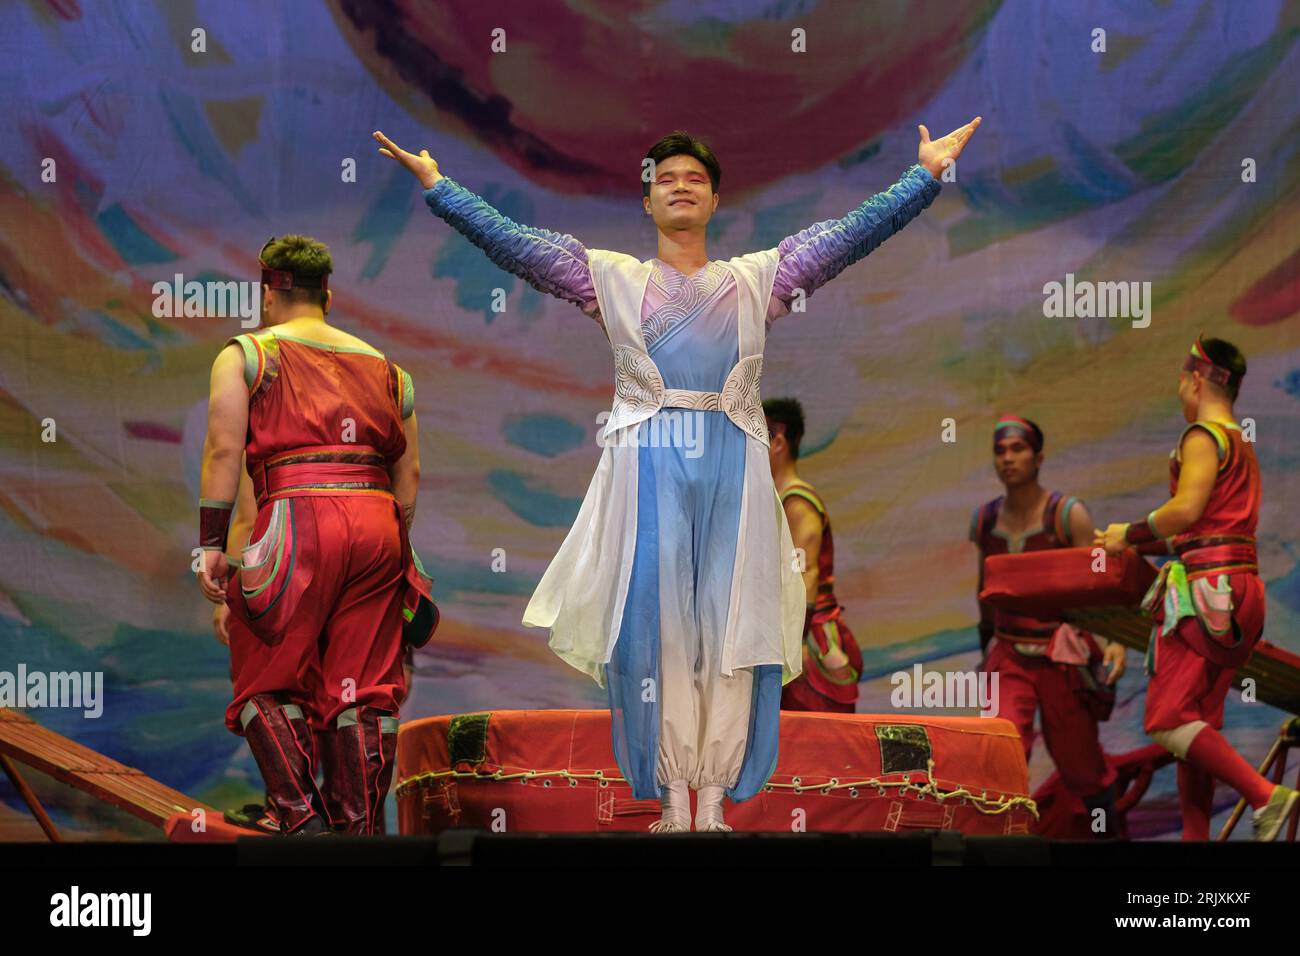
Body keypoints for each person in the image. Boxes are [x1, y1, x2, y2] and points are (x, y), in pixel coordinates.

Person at [376, 116, 980, 831]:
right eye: (666, 180)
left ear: (716, 200)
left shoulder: (758, 279)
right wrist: (440, 188)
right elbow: (519, 246)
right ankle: (669, 801)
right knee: (654, 631)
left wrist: (924, 176)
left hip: (734, 466)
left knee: (729, 626)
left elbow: (850, 235)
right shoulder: (612, 278)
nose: (681, 188)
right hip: (646, 468)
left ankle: (715, 802)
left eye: (695, 179)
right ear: (648, 201)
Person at [197, 235, 437, 835]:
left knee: (265, 670)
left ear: (267, 293)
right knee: (364, 685)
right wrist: (390, 555)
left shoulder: (247, 353)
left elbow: (225, 450)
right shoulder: (389, 370)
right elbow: (408, 480)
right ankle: (357, 830)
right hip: (379, 523)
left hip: (297, 521)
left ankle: (298, 818)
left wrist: (209, 546)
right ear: (326, 295)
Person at [1096, 336, 1298, 841]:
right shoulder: (1240, 444)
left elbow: (1184, 511)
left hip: (1206, 597)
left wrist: (1130, 534)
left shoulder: (1203, 437)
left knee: (1167, 721)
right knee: (1195, 728)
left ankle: (1266, 795)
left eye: (1181, 382)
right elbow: (1204, 531)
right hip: (1238, 591)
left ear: (1195, 379)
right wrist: (1142, 549)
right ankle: (1195, 840)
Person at [972, 416, 1127, 833]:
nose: (1008, 458)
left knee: (1082, 767)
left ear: (1038, 457)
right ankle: (1001, 850)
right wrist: (983, 650)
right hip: (1008, 653)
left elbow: (1100, 583)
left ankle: (1108, 838)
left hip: (1061, 656)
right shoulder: (985, 520)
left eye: (1017, 449)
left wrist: (1114, 640)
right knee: (1000, 752)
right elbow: (984, 587)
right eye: (1000, 451)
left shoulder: (1067, 514)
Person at [763, 397, 862, 712]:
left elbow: (806, 576)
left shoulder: (797, 502)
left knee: (815, 751)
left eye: (753, 437)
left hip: (808, 646)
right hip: (784, 639)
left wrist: (794, 645)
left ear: (777, 441)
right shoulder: (777, 500)